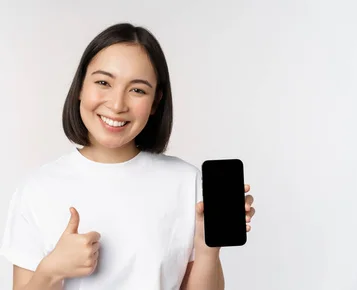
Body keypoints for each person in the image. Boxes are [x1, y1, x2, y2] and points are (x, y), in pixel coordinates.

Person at [0, 23, 255, 290]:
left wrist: (206, 247)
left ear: (155, 102)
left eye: (137, 90)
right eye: (103, 82)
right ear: (80, 88)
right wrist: (52, 270)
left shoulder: (187, 182)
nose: (118, 104)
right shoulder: (37, 188)